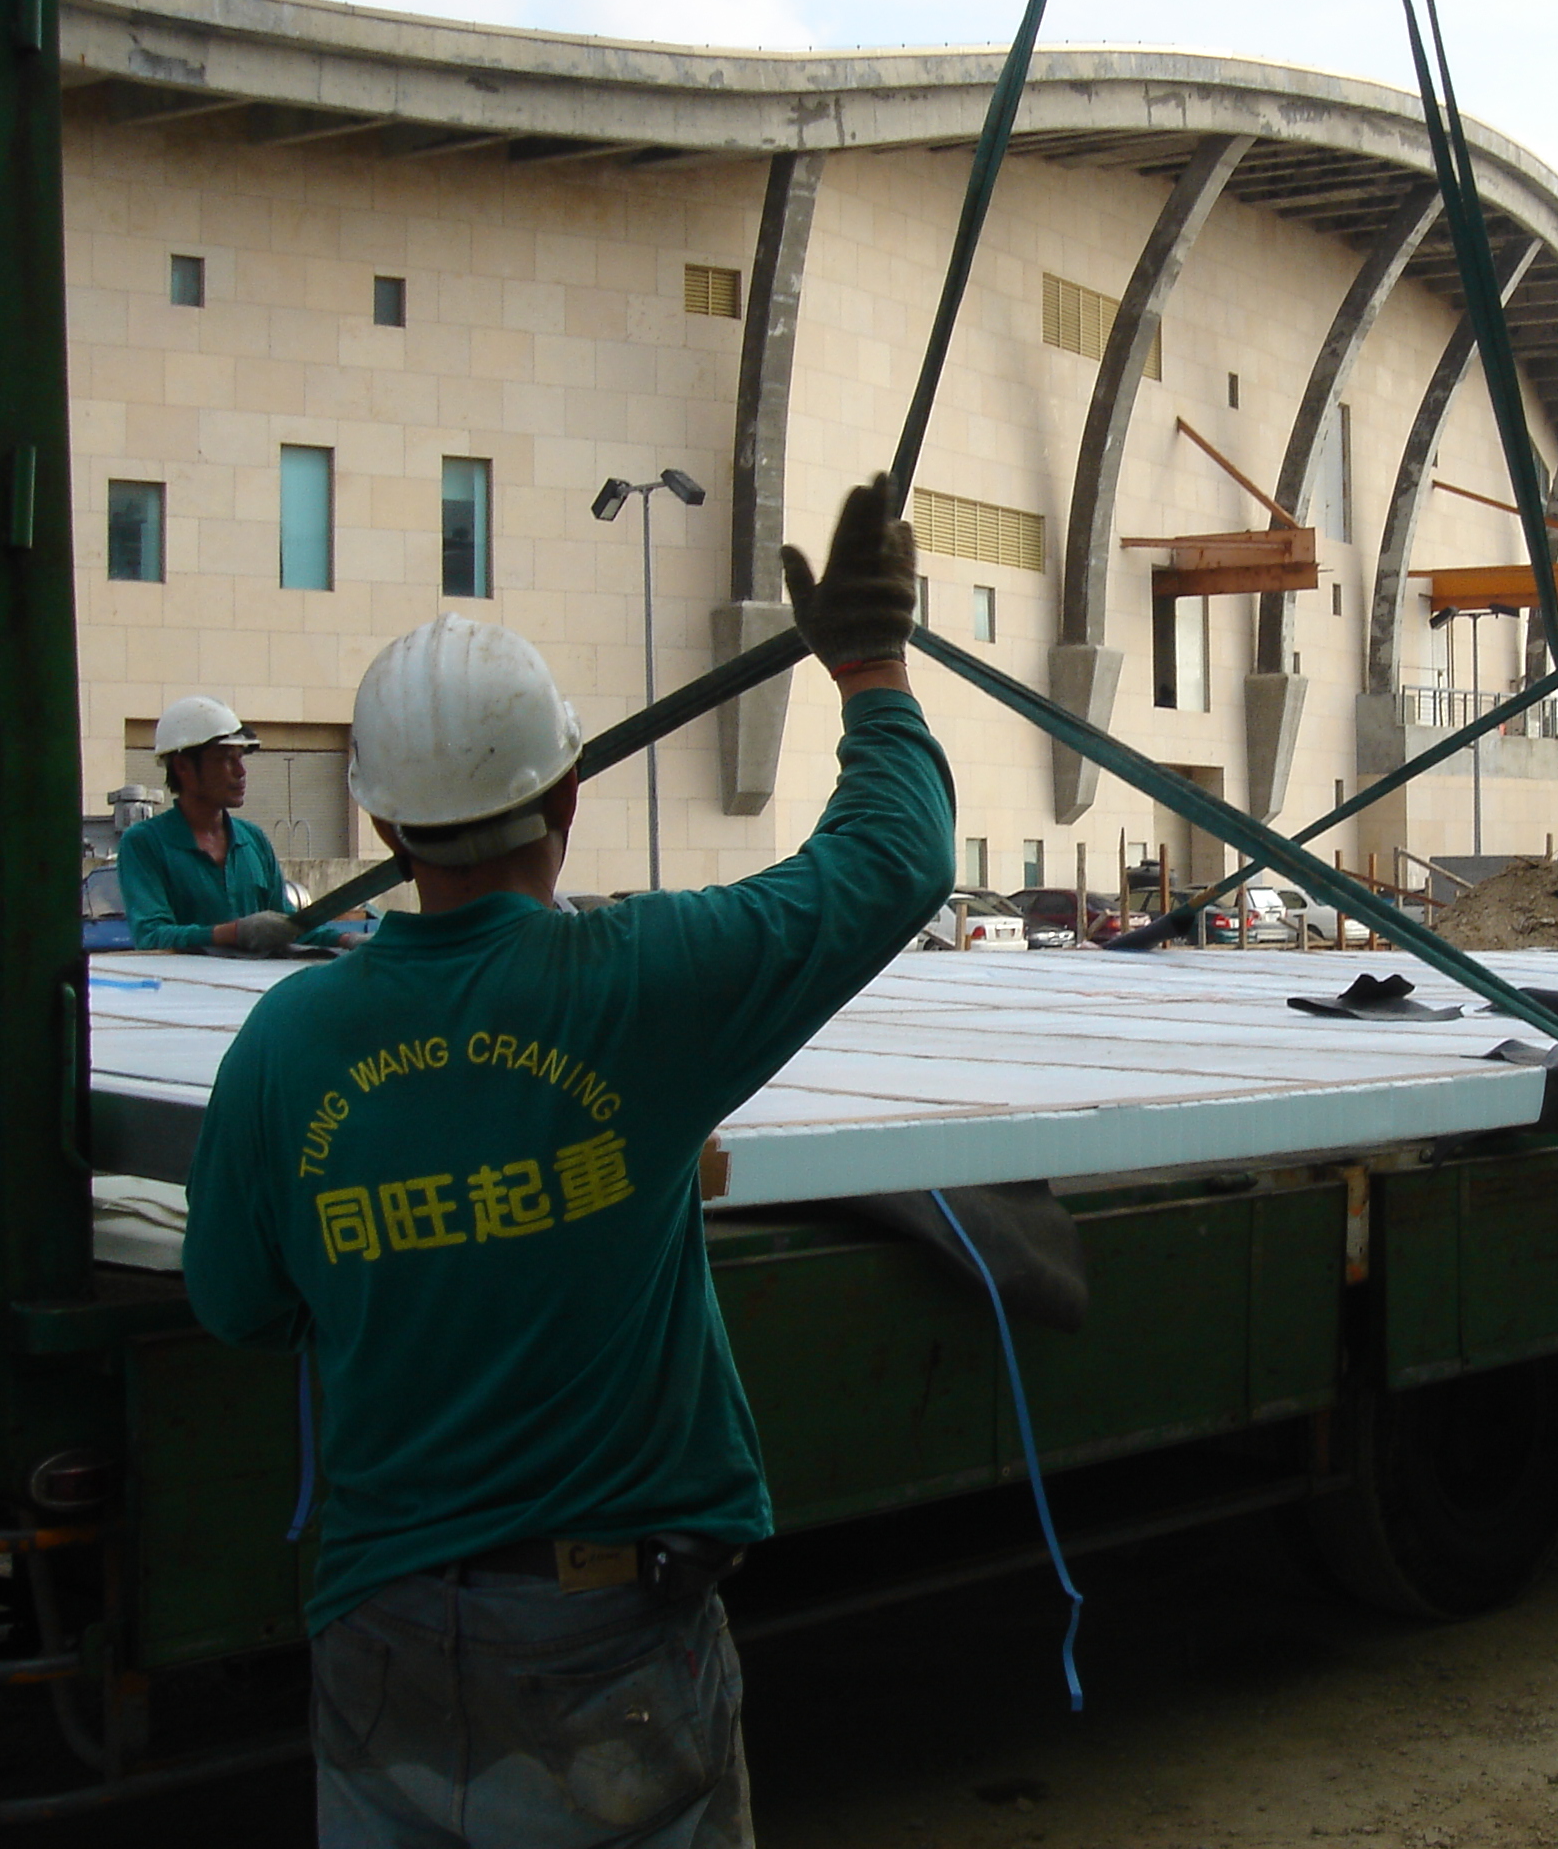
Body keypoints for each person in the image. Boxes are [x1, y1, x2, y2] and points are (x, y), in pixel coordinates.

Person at [181, 475, 952, 1847]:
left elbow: (239, 1304)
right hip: (606, 1639)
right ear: (570, 793)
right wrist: (870, 667)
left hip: (379, 1631)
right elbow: (890, 859)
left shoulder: (285, 1047)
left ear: (383, 829)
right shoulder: (638, 988)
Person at [117, 696, 357, 955]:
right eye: (225, 759)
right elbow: (152, 937)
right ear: (183, 767)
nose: (241, 771)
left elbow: (290, 927)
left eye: (240, 757)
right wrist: (235, 933)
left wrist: (349, 941)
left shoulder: (253, 840)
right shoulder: (144, 843)